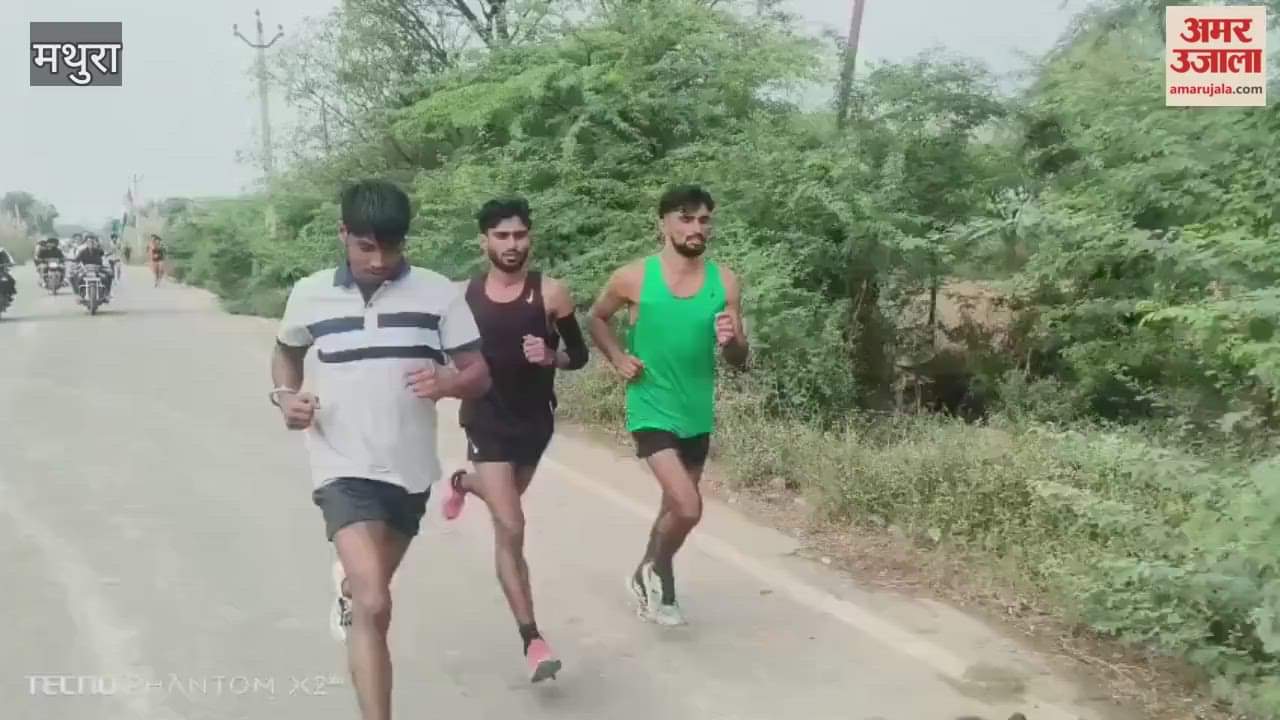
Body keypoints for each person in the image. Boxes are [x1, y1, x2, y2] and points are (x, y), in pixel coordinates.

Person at [270, 179, 490, 720]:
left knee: (369, 595)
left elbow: (478, 372)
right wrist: (285, 397)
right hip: (340, 465)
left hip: (409, 471)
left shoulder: (437, 294)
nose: (379, 260)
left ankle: (348, 588)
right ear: (343, 233)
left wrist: (452, 381)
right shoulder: (310, 293)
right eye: (366, 246)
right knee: (374, 603)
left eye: (391, 247)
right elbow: (286, 352)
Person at [439, 197, 589, 682]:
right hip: (484, 418)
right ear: (484, 241)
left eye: (519, 235)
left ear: (530, 238)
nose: (511, 244)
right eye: (501, 236)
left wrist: (551, 356)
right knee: (511, 523)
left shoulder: (552, 293)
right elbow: (442, 352)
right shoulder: (462, 297)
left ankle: (464, 482)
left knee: (506, 508)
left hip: (534, 422)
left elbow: (579, 355)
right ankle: (533, 639)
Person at [587, 185, 749, 626]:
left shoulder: (725, 282)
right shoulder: (634, 277)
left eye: (704, 220)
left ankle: (650, 573)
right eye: (686, 218)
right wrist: (617, 357)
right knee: (688, 506)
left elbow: (739, 358)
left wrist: (731, 341)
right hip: (650, 405)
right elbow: (596, 318)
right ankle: (656, 572)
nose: (696, 228)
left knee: (673, 509)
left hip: (696, 410)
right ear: (663, 223)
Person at [73, 235, 113, 301]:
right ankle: (78, 294)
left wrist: (108, 255)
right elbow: (77, 259)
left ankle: (107, 294)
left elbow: (104, 255)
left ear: (94, 243)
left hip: (98, 269)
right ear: (86, 243)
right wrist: (73, 262)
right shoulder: (82, 251)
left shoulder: (99, 251)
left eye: (92, 242)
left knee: (109, 275)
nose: (90, 243)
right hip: (86, 269)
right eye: (89, 242)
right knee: (76, 275)